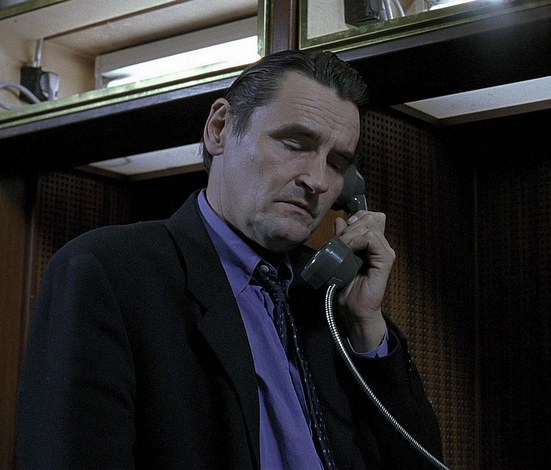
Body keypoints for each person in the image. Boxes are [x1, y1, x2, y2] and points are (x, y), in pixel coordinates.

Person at [16, 49, 443, 469]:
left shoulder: (329, 300)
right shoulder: (110, 273)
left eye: (336, 164)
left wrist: (367, 327)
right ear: (219, 129)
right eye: (295, 144)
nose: (316, 180)